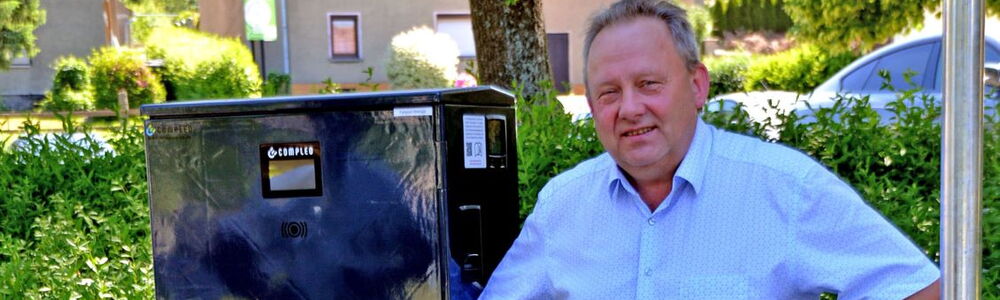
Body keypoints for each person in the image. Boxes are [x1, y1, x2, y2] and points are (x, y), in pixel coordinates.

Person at [479, 0, 941, 298]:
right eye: (609, 92)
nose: (630, 108)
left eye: (649, 83)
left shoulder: (786, 188)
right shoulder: (563, 205)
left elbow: (916, 288)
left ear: (697, 85)